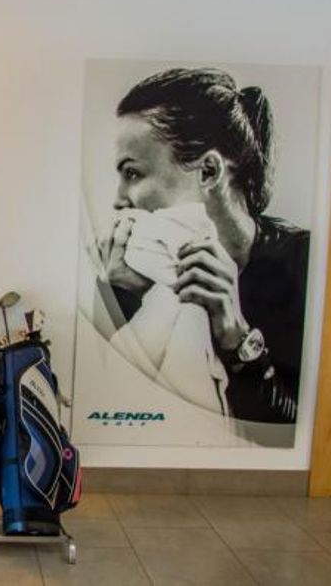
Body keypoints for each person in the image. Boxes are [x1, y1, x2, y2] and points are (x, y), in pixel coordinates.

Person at [97, 68, 309, 433]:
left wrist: (237, 338)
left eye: (132, 173)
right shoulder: (127, 274)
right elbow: (105, 412)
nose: (119, 200)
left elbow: (306, 430)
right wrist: (120, 300)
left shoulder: (305, 264)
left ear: (208, 171)